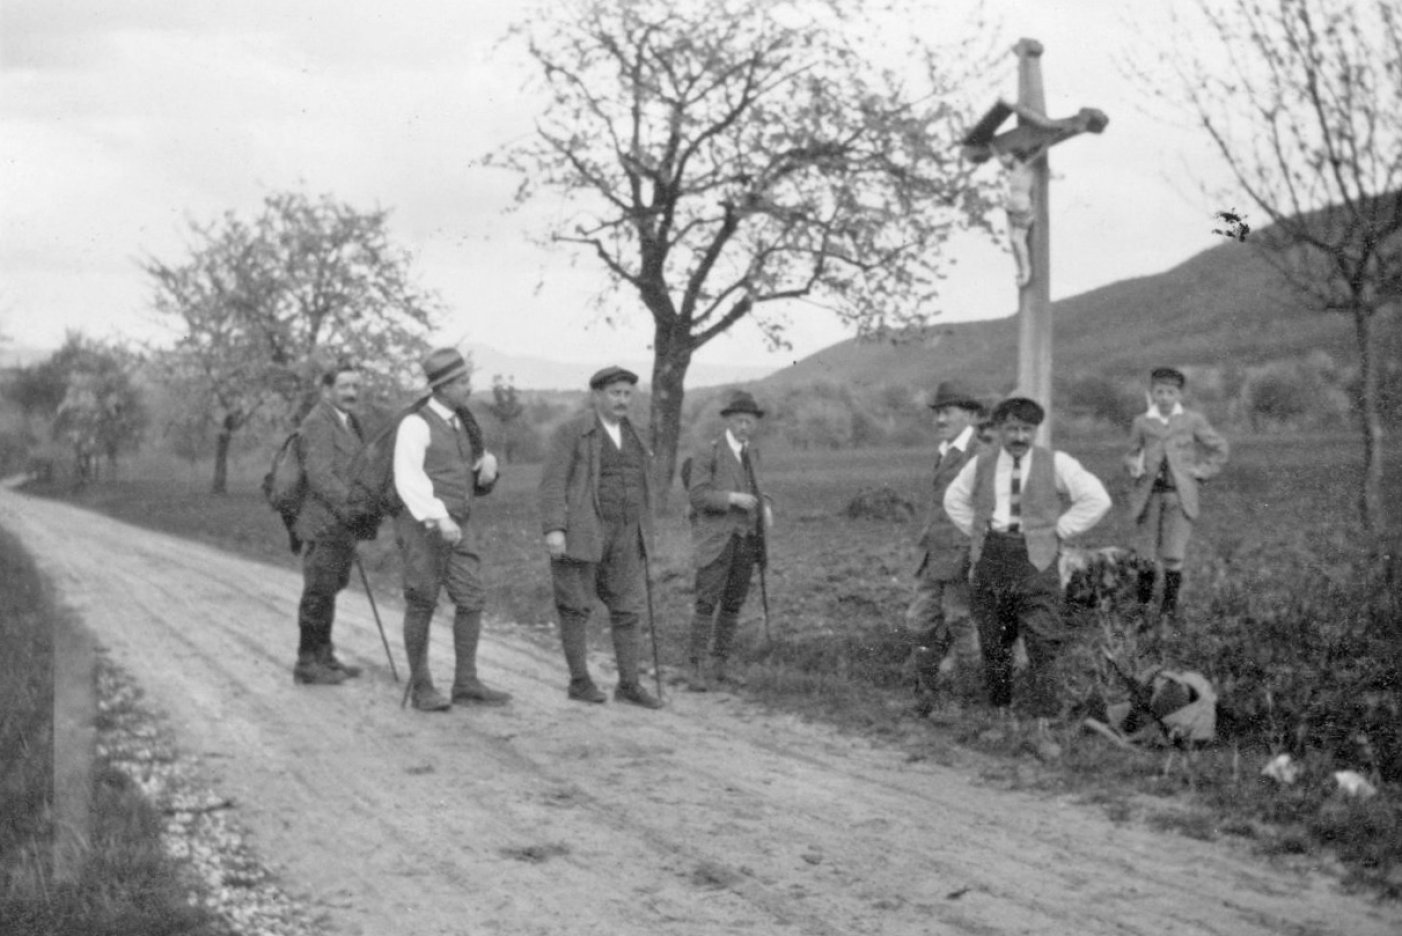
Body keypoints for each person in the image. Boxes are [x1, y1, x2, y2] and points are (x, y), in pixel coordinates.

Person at [944, 397, 1111, 716]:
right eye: (1011, 429)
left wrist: (1060, 529)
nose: (1020, 437)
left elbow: (1096, 498)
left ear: (1036, 431)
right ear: (1000, 430)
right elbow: (954, 499)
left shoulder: (1057, 463)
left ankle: (1045, 717)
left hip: (1037, 559)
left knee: (1043, 639)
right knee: (993, 640)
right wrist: (979, 533)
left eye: (1027, 430)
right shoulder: (981, 463)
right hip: (992, 557)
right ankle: (1000, 711)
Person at [538, 365, 663, 709]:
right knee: (576, 607)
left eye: (627, 394)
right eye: (615, 393)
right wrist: (554, 528)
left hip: (626, 533)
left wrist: (644, 531)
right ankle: (579, 681)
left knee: (627, 609)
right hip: (583, 530)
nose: (622, 400)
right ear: (597, 395)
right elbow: (552, 482)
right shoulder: (572, 432)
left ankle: (629, 684)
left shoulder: (635, 434)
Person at [392, 347, 509, 712]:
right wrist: (438, 517)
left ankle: (466, 682)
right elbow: (407, 479)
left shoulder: (461, 423)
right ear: (441, 387)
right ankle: (422, 687)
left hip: (458, 525)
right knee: (422, 601)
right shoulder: (415, 423)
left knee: (471, 597)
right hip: (423, 527)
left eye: (466, 380)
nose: (468, 388)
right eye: (461, 382)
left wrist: (484, 472)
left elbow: (457, 477)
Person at [1124, 366, 1229, 625]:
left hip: (1178, 496)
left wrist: (1201, 472)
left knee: (1173, 554)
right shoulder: (1142, 422)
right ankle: (1142, 609)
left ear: (1179, 395)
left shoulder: (1192, 420)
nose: (1164, 397)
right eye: (1159, 391)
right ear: (1152, 393)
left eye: (1170, 392)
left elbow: (1220, 448)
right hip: (1149, 497)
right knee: (1146, 555)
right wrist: (1133, 465)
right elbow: (1130, 452)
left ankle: (1168, 612)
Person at [684, 390, 773, 692]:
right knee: (707, 601)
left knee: (733, 604)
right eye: (739, 421)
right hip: (716, 540)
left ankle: (720, 664)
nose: (744, 427)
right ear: (728, 421)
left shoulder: (753, 454)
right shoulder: (709, 451)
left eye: (749, 421)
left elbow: (759, 488)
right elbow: (697, 496)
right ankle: (695, 667)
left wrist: (766, 506)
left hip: (747, 540)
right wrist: (731, 498)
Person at [906, 381, 984, 714]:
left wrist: (977, 558)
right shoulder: (944, 452)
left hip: (962, 555)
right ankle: (929, 695)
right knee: (919, 621)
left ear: (968, 414)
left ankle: (968, 702)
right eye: (937, 413)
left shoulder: (979, 455)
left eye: (947, 412)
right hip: (933, 554)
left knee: (961, 623)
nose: (939, 420)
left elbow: (985, 512)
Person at [292, 361, 366, 686]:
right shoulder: (318, 422)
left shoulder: (347, 422)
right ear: (327, 390)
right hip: (323, 523)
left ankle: (325, 655)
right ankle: (306, 662)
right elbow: (319, 475)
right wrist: (351, 504)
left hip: (341, 524)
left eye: (355, 387)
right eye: (345, 386)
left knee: (330, 588)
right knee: (318, 592)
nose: (351, 393)